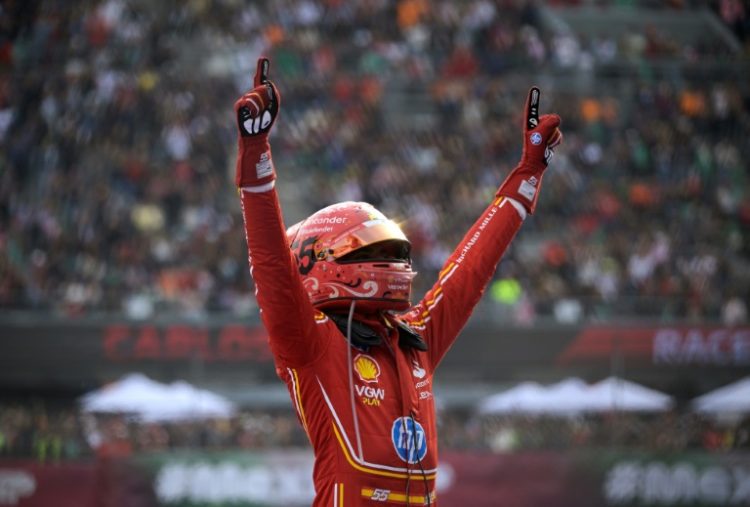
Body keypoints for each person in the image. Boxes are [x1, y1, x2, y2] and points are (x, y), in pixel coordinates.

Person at [234, 57, 562, 506]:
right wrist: (256, 157)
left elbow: (470, 272)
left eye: (391, 252)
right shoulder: (309, 345)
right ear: (321, 263)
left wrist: (527, 176)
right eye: (371, 253)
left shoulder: (414, 339)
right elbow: (270, 264)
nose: (390, 263)